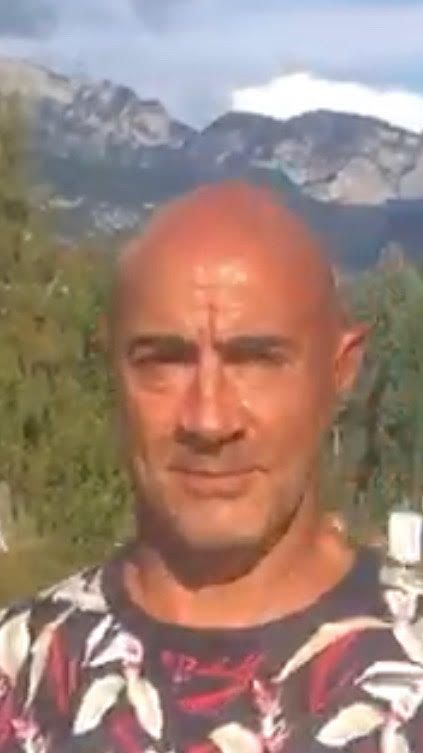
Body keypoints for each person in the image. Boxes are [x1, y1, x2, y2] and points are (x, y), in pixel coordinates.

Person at [0, 181, 422, 753]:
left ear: (341, 371)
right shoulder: (23, 676)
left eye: (256, 361)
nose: (208, 419)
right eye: (164, 362)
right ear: (112, 368)